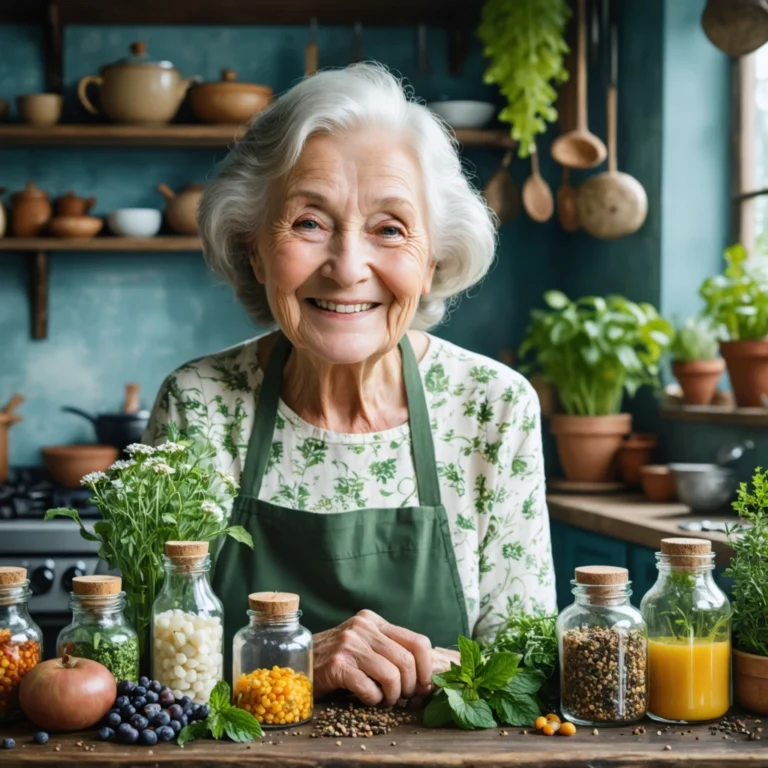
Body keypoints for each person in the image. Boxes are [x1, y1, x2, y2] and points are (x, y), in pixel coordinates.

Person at [144, 63, 556, 708]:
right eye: (309, 222)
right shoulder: (199, 403)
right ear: (254, 246)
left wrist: (430, 668)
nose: (347, 267)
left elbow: (529, 664)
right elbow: (146, 659)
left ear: (433, 259)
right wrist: (301, 659)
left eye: (390, 229)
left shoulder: (492, 407)